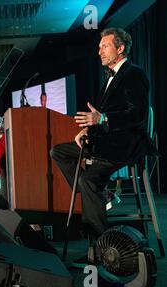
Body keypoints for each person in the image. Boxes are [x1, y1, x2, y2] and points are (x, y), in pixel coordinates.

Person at [50, 28, 152, 267]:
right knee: (58, 151)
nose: (99, 52)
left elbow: (136, 115)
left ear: (120, 48)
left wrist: (103, 120)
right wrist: (88, 129)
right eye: (99, 47)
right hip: (103, 142)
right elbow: (103, 115)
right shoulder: (109, 75)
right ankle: (100, 195)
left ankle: (102, 249)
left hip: (123, 146)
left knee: (87, 181)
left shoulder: (134, 74)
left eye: (104, 46)